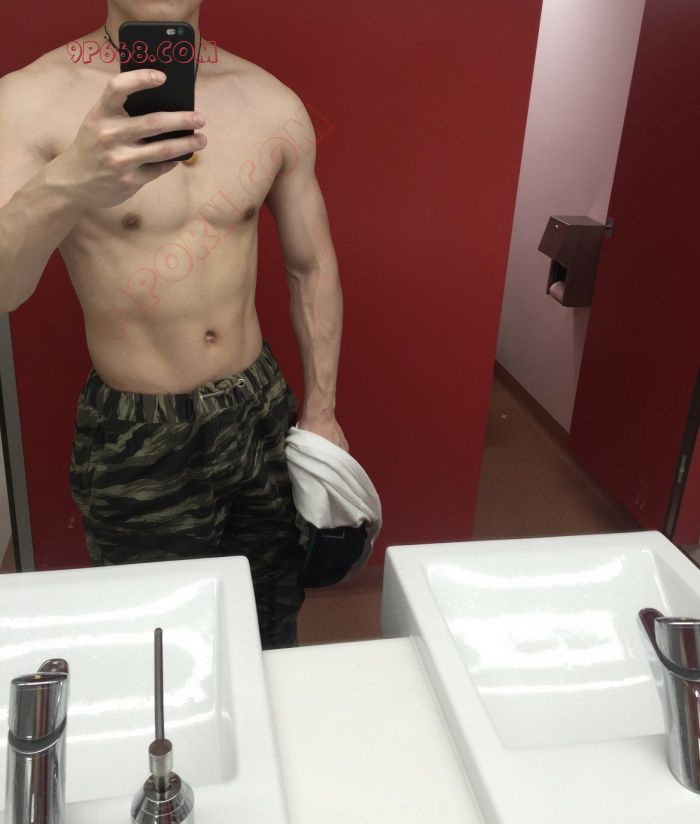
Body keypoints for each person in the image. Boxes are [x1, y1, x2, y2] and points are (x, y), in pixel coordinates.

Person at [0, 0, 348, 650]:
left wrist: (322, 412)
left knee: (269, 617)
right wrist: (69, 182)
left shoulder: (269, 102)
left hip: (258, 413)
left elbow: (312, 266)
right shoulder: (28, 101)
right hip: (139, 428)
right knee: (155, 639)